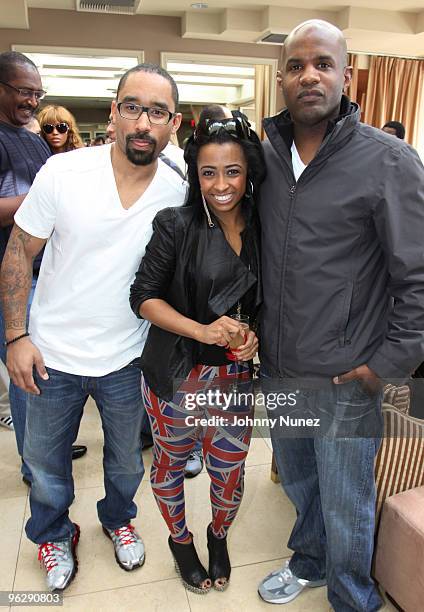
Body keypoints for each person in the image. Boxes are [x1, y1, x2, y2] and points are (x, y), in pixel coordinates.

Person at [257, 19, 424, 612]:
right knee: (300, 481)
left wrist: (384, 366)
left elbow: (418, 278)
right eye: (297, 66)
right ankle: (310, 561)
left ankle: (354, 599)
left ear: (345, 74)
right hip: (280, 367)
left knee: (346, 498)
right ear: (281, 79)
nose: (310, 76)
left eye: (323, 64)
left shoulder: (389, 161)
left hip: (346, 377)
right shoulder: (266, 157)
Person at [0, 63, 185, 592]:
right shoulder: (64, 173)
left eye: (156, 112)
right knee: (45, 463)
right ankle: (54, 532)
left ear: (172, 124)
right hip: (51, 354)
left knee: (126, 461)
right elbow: (18, 252)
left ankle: (118, 519)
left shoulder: (178, 190)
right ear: (113, 112)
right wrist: (16, 335)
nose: (143, 123)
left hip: (128, 358)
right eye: (132, 107)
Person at [129, 105, 265, 594]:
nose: (221, 184)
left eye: (232, 171)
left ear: (249, 171)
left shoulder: (264, 226)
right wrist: (201, 330)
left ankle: (218, 535)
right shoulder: (176, 224)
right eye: (208, 172)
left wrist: (252, 338)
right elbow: (142, 297)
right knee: (170, 462)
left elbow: (265, 302)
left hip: (234, 380)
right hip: (176, 374)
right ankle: (181, 541)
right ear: (196, 174)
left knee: (228, 475)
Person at [0, 52, 86, 475]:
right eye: (23, 91)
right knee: (25, 366)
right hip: (12, 274)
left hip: (43, 273)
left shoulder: (30, 138)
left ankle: (46, 447)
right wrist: (44, 203)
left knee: (43, 367)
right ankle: (33, 464)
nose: (33, 101)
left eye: (38, 92)